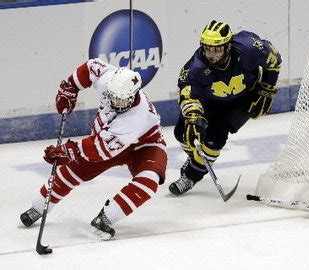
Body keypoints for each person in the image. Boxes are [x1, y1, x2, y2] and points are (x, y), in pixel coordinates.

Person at [20, 59, 167, 239]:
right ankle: (38, 206)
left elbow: (100, 149)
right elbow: (91, 67)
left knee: (149, 180)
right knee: (73, 171)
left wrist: (70, 150)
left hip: (145, 144)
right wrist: (70, 88)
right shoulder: (110, 81)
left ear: (132, 96)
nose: (114, 101)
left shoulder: (136, 117)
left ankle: (106, 217)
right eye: (112, 95)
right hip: (106, 139)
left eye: (120, 99)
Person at [168, 20, 282, 196]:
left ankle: (190, 177)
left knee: (215, 138)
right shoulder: (194, 68)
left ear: (228, 46)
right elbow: (188, 94)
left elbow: (274, 60)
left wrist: (266, 89)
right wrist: (193, 117)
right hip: (210, 102)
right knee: (181, 133)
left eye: (217, 49)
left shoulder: (249, 48)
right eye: (208, 49)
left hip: (243, 100)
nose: (212, 55)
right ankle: (197, 161)